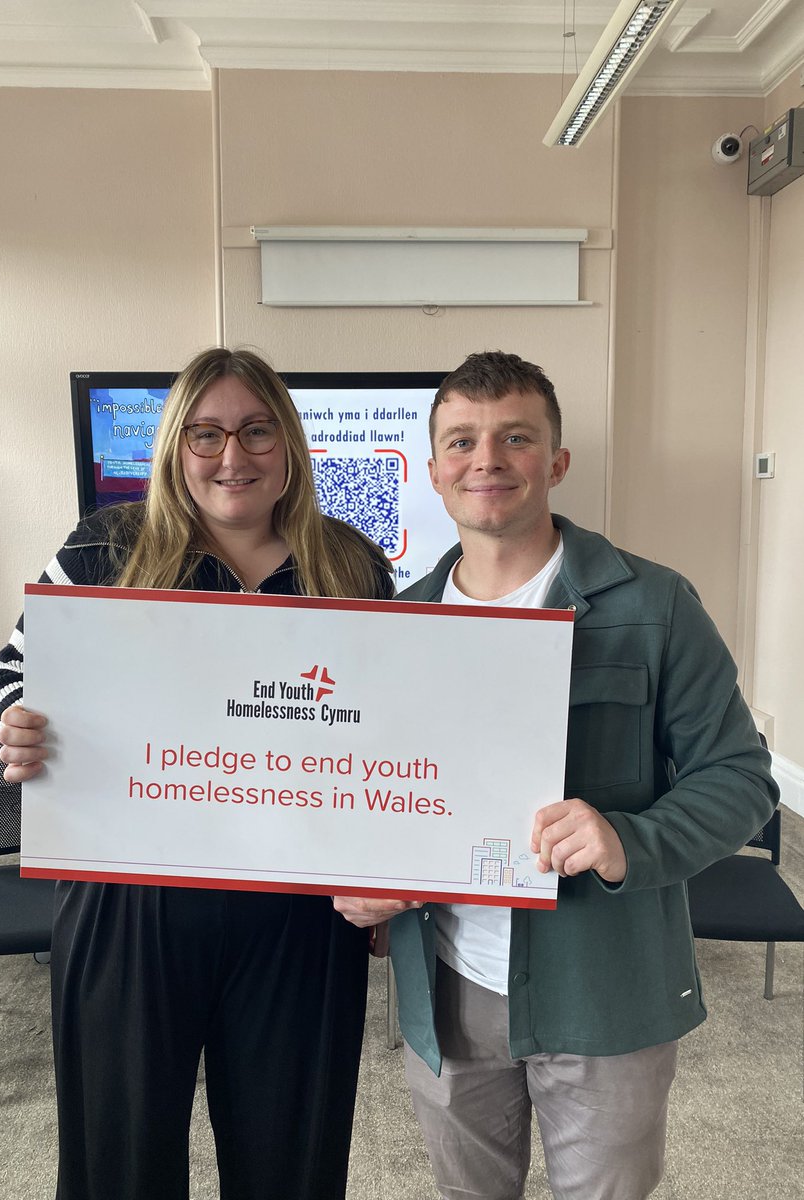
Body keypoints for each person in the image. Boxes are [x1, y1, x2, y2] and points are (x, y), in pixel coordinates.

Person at [333, 351, 778, 1200]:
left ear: (557, 462)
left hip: (606, 988)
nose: (487, 459)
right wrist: (360, 879)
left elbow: (742, 778)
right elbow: (379, 791)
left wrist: (627, 840)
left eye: (515, 437)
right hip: (452, 989)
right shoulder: (397, 625)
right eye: (461, 441)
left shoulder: (656, 604)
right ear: (433, 471)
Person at [0, 347, 394, 1200]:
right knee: (117, 1159)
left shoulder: (352, 565)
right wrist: (15, 723)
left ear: (289, 443)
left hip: (299, 909)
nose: (231, 457)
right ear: (176, 446)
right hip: (129, 897)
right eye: (205, 434)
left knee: (293, 1156)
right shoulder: (104, 547)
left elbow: (391, 730)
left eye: (255, 431)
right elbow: (11, 672)